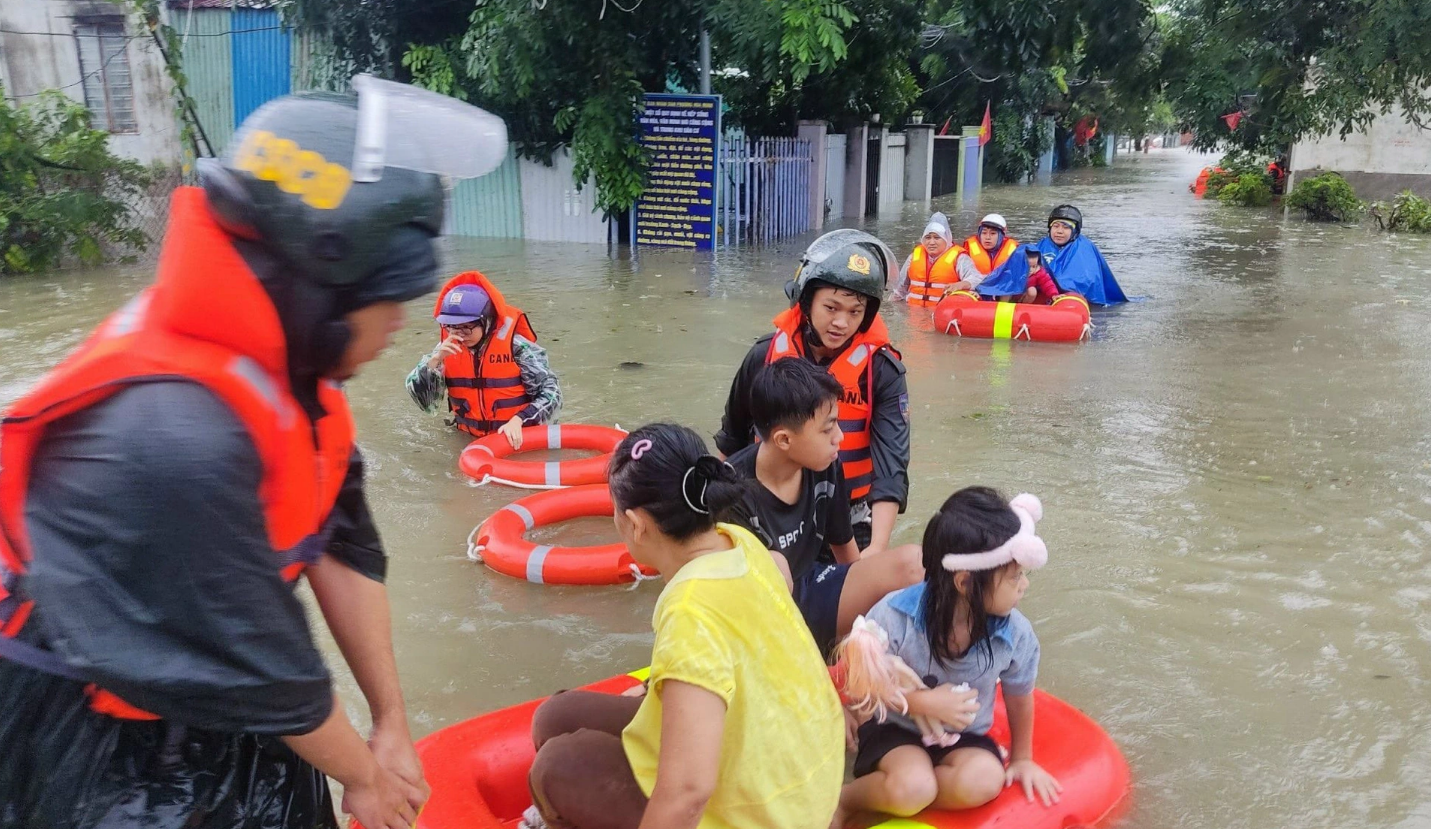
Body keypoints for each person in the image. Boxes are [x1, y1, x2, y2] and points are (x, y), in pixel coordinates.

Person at [0, 77, 509, 829]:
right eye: (389, 296)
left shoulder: (300, 387)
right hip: (89, 737)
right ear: (322, 288)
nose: (405, 321)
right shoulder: (174, 435)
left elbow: (346, 547)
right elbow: (266, 664)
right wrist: (363, 774)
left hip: (231, 702)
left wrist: (390, 720)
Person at [524, 423, 845, 829]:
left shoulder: (689, 608)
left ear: (636, 524)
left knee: (556, 766)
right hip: (800, 780)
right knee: (556, 717)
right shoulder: (739, 541)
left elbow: (689, 792)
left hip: (763, 816)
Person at [835, 487, 1062, 824]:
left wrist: (1022, 757)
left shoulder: (1015, 633)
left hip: (965, 736)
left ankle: (881, 804)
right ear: (965, 582)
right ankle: (845, 800)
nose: (1023, 585)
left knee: (985, 781)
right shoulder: (895, 616)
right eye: (1014, 576)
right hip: (896, 729)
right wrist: (920, 703)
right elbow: (864, 682)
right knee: (914, 784)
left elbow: (1019, 693)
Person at [715, 229, 910, 556]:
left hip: (849, 518)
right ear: (806, 301)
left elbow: (892, 467)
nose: (841, 323)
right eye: (831, 308)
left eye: (854, 312)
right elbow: (732, 440)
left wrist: (876, 548)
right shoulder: (764, 356)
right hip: (767, 513)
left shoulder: (882, 371)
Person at [724, 358, 923, 652]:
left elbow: (846, 553)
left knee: (913, 563)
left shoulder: (824, 466)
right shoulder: (731, 494)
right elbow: (737, 602)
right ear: (784, 439)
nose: (839, 437)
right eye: (828, 428)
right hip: (765, 618)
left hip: (813, 587)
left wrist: (862, 614)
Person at [406, 270, 561, 447]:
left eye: (466, 328)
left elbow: (552, 394)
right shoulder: (444, 350)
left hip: (515, 438)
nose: (460, 335)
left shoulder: (517, 346)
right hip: (468, 439)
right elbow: (427, 405)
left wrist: (520, 419)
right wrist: (433, 362)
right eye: (452, 328)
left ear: (486, 321)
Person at [971, 205, 1127, 306]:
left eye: (1065, 227)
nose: (1059, 231)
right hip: (1040, 296)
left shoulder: (1084, 248)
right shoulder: (1042, 245)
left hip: (1067, 301)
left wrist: (1054, 288)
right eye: (1056, 226)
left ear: (1075, 231)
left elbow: (1085, 280)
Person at [893, 212, 984, 307]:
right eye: (928, 237)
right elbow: (899, 291)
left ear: (946, 238)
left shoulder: (960, 258)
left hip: (943, 313)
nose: (931, 242)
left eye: (937, 238)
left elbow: (977, 280)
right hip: (914, 312)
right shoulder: (913, 256)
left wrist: (961, 284)